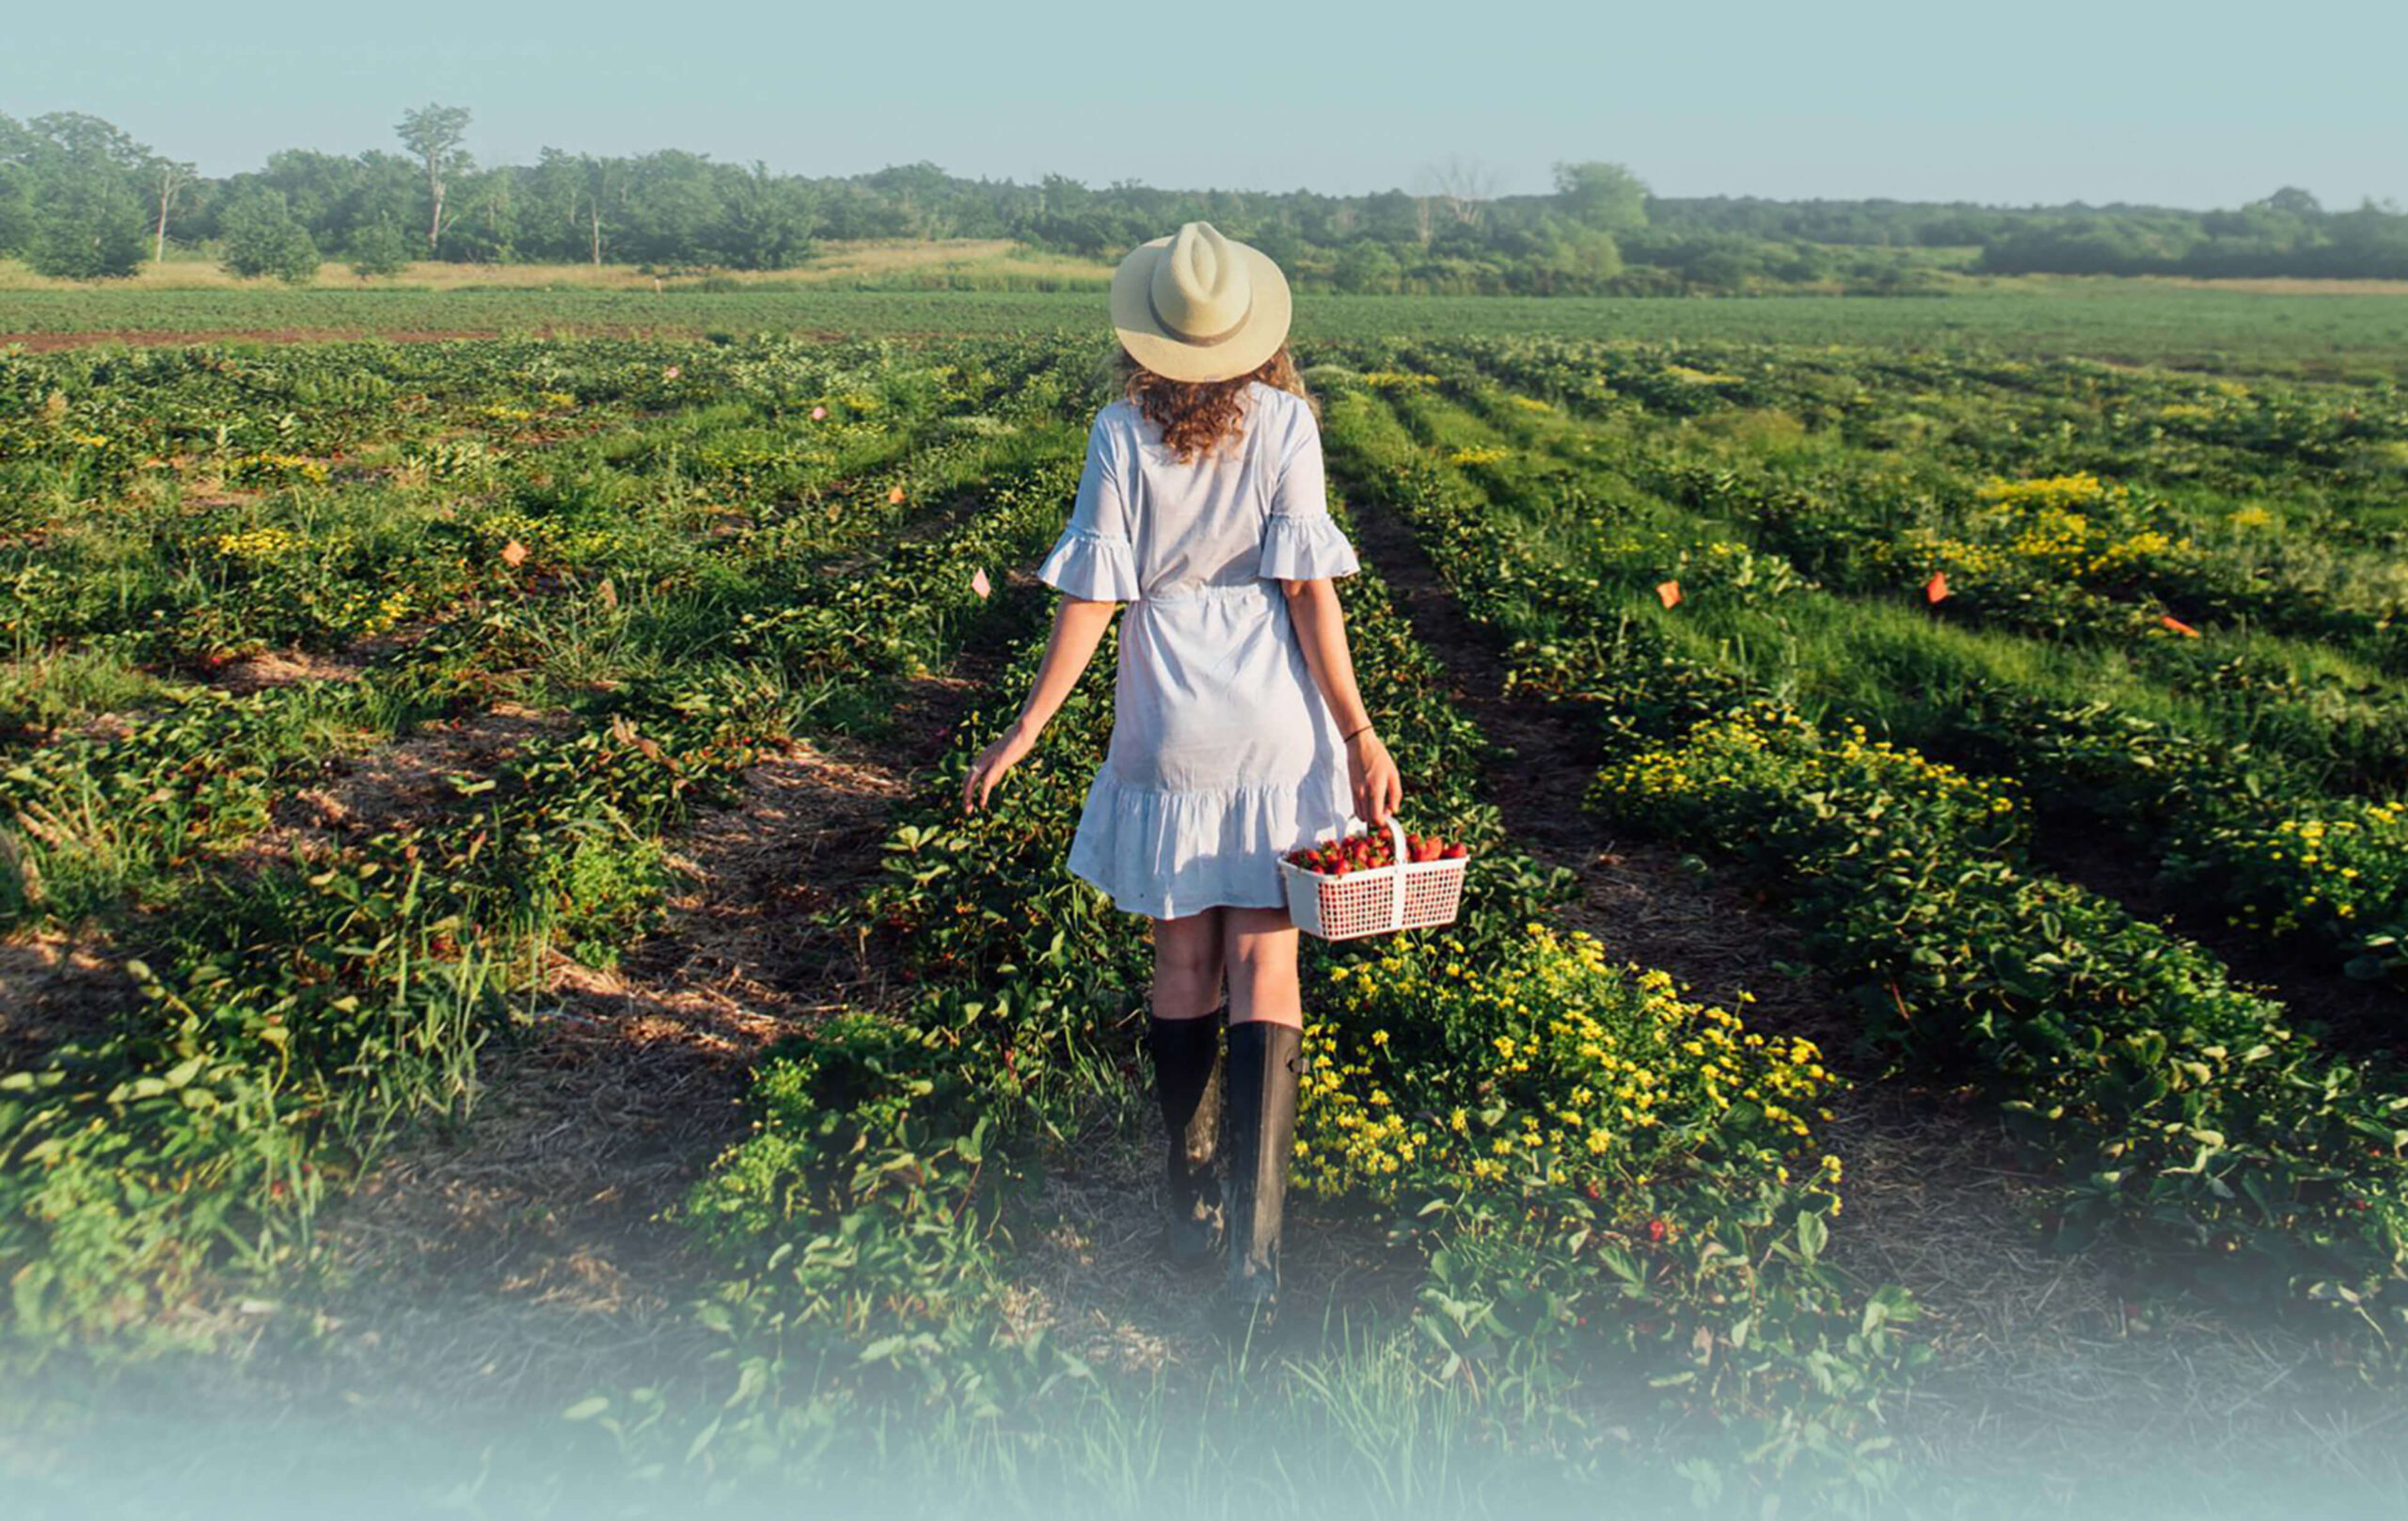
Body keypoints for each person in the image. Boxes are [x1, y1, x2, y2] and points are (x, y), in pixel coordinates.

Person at [959, 221, 1402, 1320]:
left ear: (1147, 338)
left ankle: (1184, 1192)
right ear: (1252, 333)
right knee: (1266, 964)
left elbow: (1095, 596)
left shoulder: (1120, 430)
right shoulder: (1286, 423)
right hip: (1271, 719)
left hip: (1167, 715)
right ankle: (1257, 1249)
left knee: (1180, 966)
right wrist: (1357, 732)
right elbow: (1310, 590)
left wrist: (1026, 728)